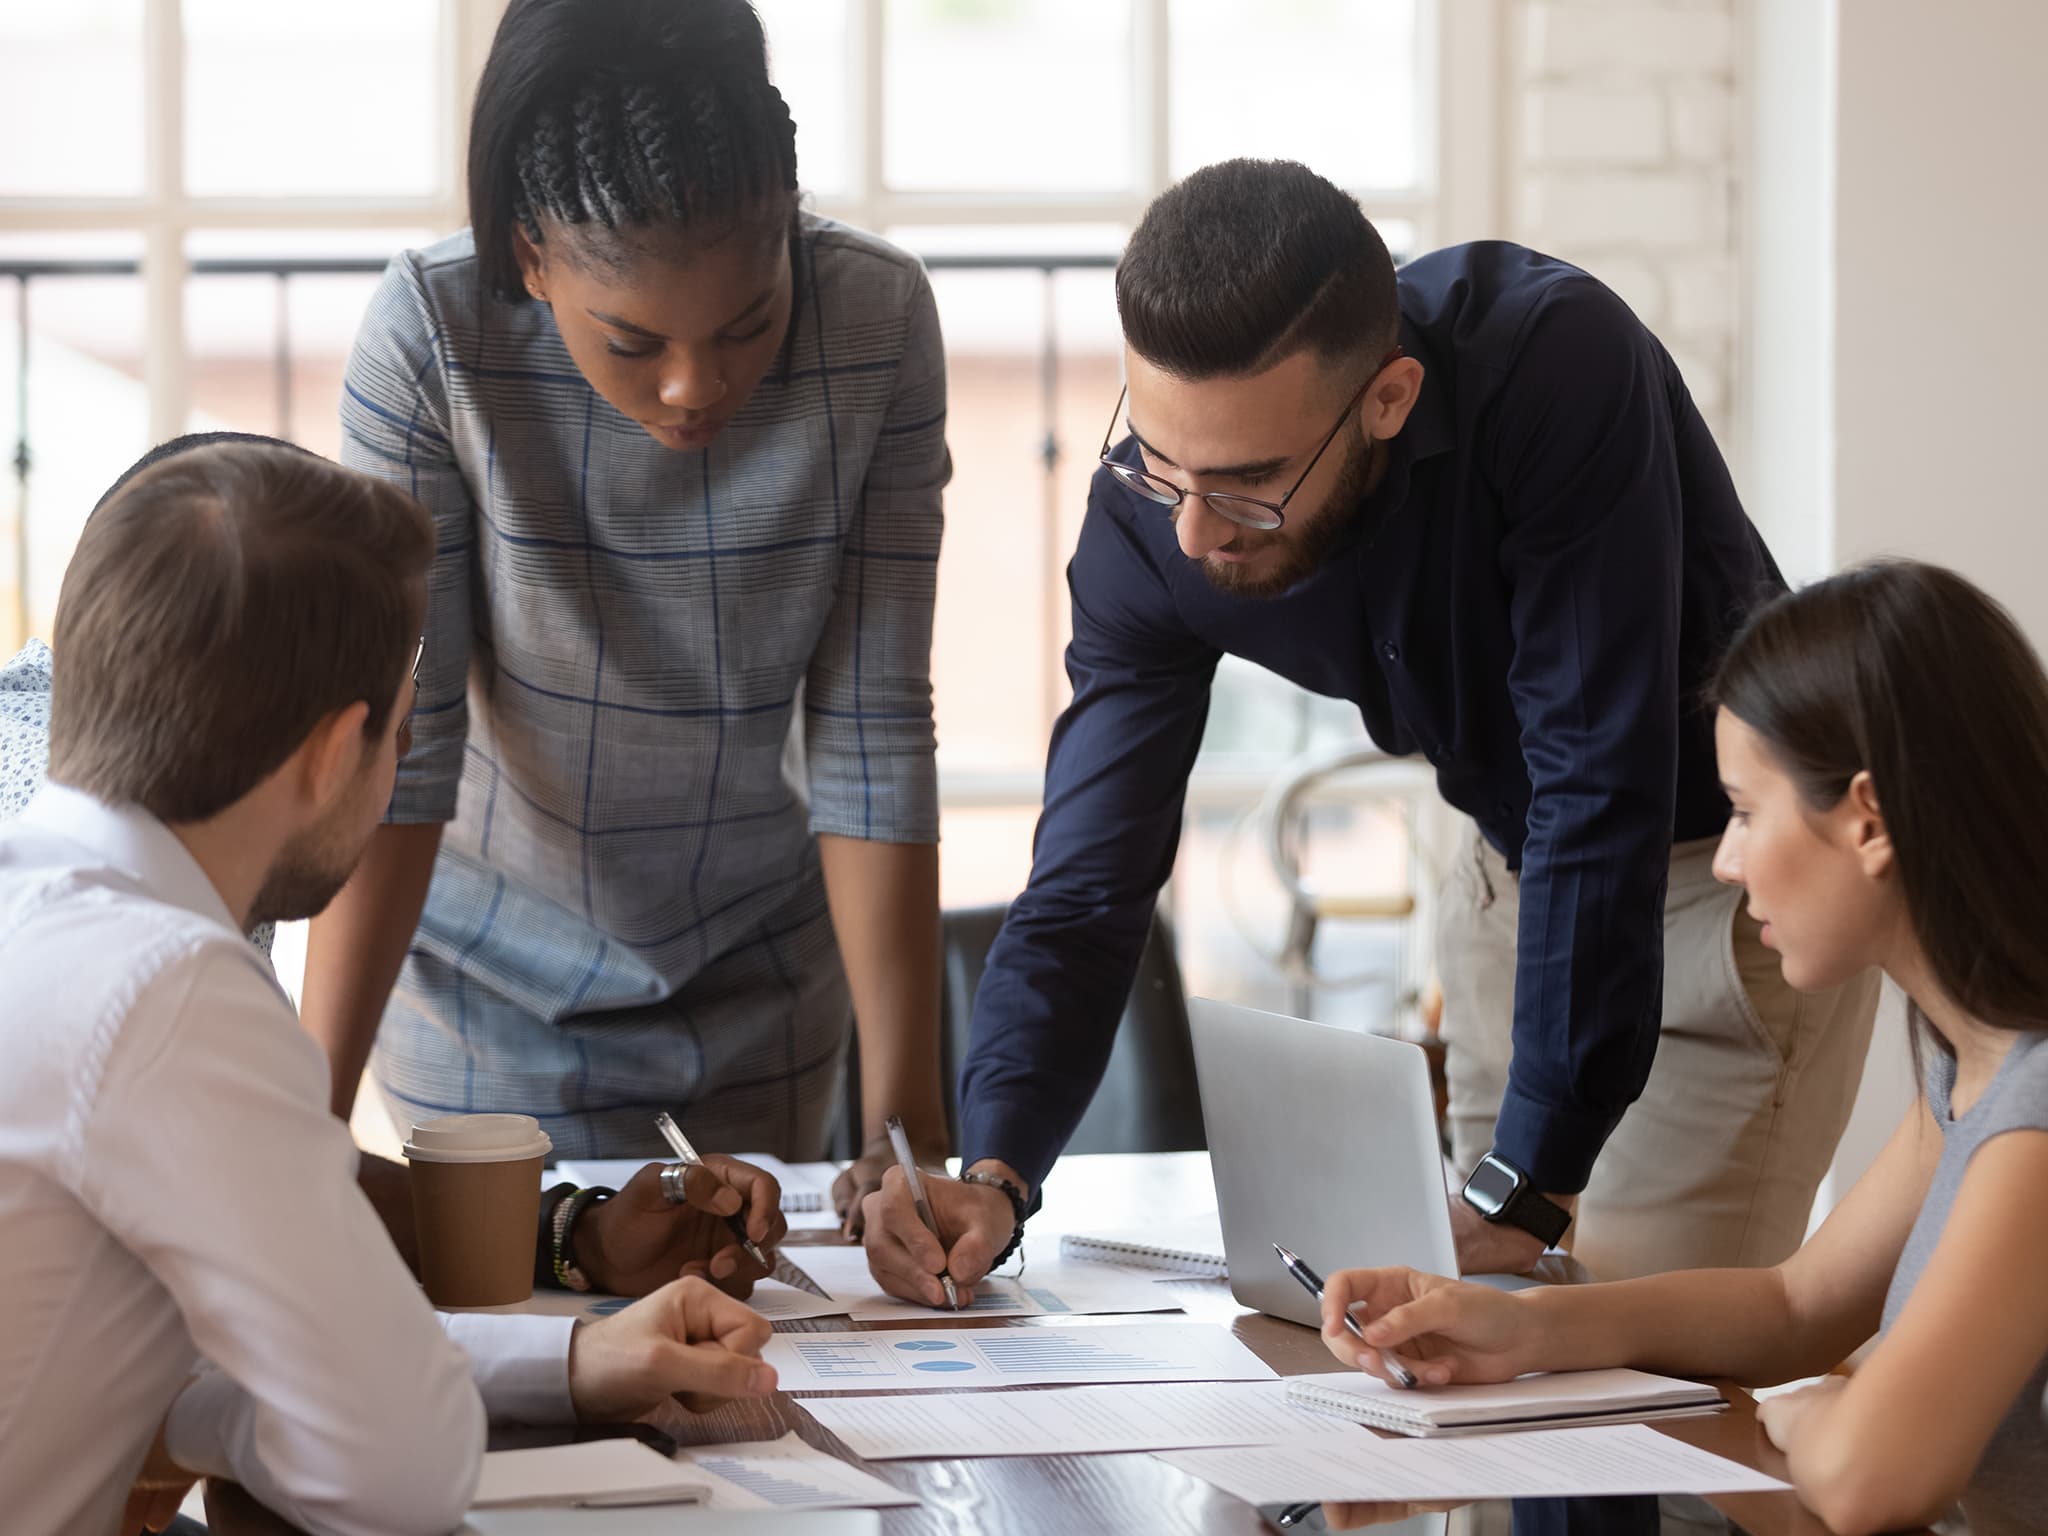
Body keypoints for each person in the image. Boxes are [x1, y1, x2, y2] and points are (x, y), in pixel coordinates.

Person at [862, 158, 1879, 1303]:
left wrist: (1526, 1184)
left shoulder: (1553, 365)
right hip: (1509, 886)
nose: (1193, 533)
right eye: (1160, 460)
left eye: (1249, 484)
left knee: (1641, 1386)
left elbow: (1597, 780)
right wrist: (995, 1171)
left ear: (1386, 400)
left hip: (1732, 900)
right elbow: (1086, 882)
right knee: (1481, 1385)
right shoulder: (1148, 521)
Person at [0, 439, 788, 1536]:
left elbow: (222, 1346)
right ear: (332, 754)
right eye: (404, 733)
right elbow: (395, 1470)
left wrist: (568, 1357)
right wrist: (221, 1416)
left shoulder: (48, 915)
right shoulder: (166, 988)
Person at [310, 0, 952, 1219]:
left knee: (759, 1355)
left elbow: (872, 725)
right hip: (488, 987)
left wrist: (906, 1133)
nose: (693, 386)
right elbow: (405, 745)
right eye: (630, 339)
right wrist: (306, 1117)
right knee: (536, 1333)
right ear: (529, 255)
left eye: (748, 324)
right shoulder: (431, 337)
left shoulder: (875, 322)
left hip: (765, 972)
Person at [1316, 562, 2048, 1536]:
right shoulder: (1970, 1060)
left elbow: (1873, 1477)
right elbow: (1797, 1308)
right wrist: (1515, 1329)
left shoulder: (2033, 1104)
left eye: (1744, 812)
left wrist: (1825, 1410)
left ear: (1867, 819)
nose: (1727, 861)